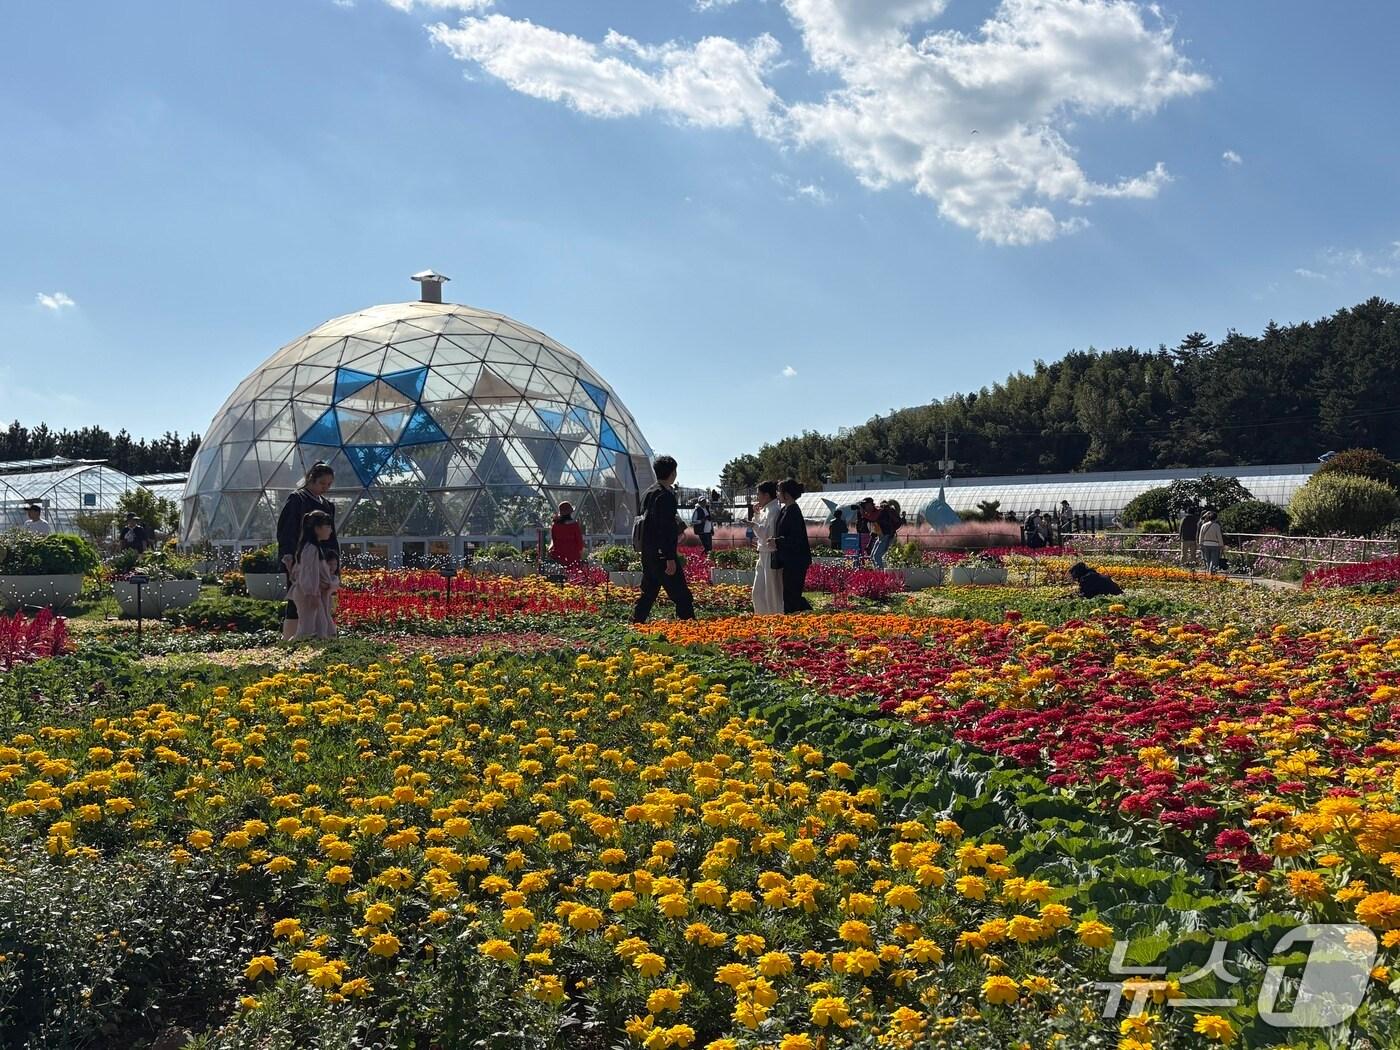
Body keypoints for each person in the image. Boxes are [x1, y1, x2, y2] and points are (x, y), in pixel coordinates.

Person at [277, 463, 338, 640]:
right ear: (311, 479)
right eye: (322, 484)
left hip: (323, 562)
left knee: (322, 602)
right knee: (299, 601)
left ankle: (317, 637)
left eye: (328, 484)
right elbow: (287, 530)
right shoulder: (298, 499)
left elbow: (331, 536)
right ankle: (290, 637)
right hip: (302, 561)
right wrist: (289, 557)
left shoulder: (326, 505)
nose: (325, 488)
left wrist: (332, 562)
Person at [632, 455, 695, 624]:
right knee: (682, 596)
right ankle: (691, 631)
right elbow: (665, 528)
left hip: (648, 552)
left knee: (649, 592)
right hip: (662, 555)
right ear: (673, 473)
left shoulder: (648, 493)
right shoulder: (665, 496)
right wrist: (669, 557)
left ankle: (636, 623)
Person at [288, 510, 339, 639]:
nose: (330, 530)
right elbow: (308, 573)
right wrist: (312, 593)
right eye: (327, 526)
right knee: (309, 630)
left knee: (319, 627)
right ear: (317, 528)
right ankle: (292, 652)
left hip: (313, 593)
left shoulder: (312, 547)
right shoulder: (311, 548)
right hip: (309, 594)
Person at [775, 478, 812, 614]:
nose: (777, 494)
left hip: (797, 559)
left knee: (792, 593)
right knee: (790, 592)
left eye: (779, 491)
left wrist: (777, 541)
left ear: (787, 494)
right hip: (789, 558)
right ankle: (799, 614)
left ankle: (798, 616)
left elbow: (795, 538)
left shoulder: (794, 511)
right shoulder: (785, 510)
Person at [749, 481, 784, 615]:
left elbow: (768, 535)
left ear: (767, 495)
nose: (757, 497)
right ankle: (762, 615)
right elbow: (762, 531)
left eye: (759, 494)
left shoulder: (774, 510)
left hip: (770, 554)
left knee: (771, 590)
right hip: (763, 553)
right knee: (758, 590)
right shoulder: (767, 509)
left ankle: (775, 616)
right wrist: (756, 515)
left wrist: (753, 525)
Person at [549, 501, 585, 566]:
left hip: (559, 557)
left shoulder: (555, 525)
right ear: (570, 513)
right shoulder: (574, 525)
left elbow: (554, 540)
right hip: (573, 556)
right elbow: (579, 542)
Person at [871, 500, 899, 568]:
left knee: (876, 556)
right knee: (873, 556)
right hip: (883, 536)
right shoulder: (886, 514)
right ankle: (878, 571)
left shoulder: (883, 514)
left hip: (886, 536)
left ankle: (881, 573)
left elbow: (881, 525)